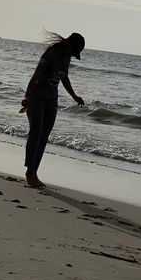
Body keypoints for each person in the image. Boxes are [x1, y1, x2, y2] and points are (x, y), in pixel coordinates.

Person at [19, 31, 86, 187]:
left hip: (51, 101)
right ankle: (30, 173)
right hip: (37, 99)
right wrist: (27, 97)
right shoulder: (51, 54)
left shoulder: (66, 58)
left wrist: (75, 96)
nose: (72, 55)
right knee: (36, 133)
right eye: (73, 52)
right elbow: (36, 76)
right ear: (69, 45)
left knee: (44, 136)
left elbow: (64, 78)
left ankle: (34, 171)